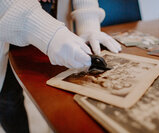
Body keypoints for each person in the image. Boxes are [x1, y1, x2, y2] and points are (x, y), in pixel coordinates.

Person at [0, 0, 121, 132]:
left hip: (56, 23)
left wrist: (89, 24)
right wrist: (48, 32)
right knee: (8, 99)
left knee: (57, 95)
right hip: (8, 25)